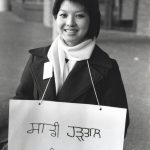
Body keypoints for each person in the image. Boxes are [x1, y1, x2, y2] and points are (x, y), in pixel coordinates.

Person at [0, 0, 129, 149]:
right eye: (63, 15)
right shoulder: (38, 58)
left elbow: (118, 124)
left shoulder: (107, 68)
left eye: (79, 16)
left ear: (92, 19)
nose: (70, 22)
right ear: (55, 18)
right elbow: (23, 100)